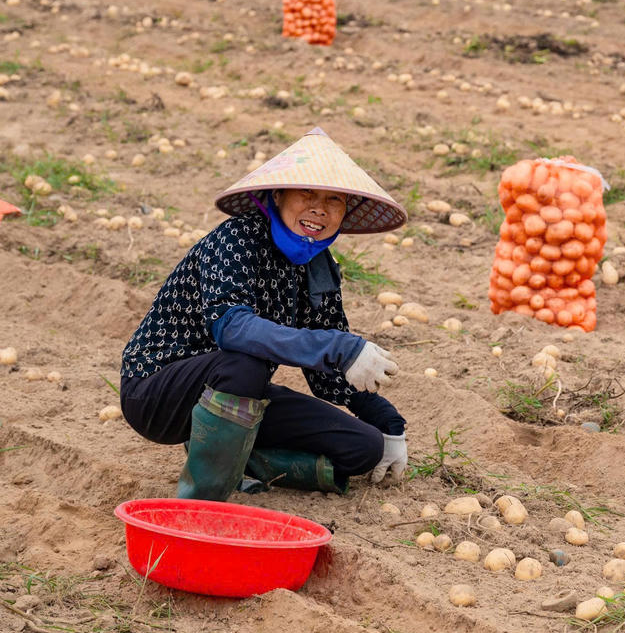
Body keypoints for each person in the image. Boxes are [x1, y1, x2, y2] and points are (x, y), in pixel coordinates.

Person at [120, 128, 410, 502]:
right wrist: (340, 346)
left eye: (333, 199)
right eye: (307, 193)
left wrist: (387, 422)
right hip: (157, 392)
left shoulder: (318, 267)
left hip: (237, 393)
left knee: (363, 447)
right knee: (246, 362)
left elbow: (328, 376)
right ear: (278, 194)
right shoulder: (237, 238)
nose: (319, 208)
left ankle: (229, 453)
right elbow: (233, 329)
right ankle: (203, 498)